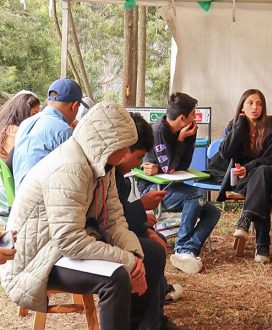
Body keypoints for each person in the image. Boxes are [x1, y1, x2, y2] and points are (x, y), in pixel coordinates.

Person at [2, 102, 166, 330]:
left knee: (153, 253)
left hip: (63, 245)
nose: (128, 152)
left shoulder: (103, 164)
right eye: (126, 145)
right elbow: (69, 240)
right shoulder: (69, 166)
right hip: (37, 258)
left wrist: (133, 255)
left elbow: (113, 220)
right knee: (115, 276)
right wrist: (127, 261)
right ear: (110, 142)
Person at [138, 92, 221, 274]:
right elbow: (169, 168)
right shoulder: (159, 130)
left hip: (172, 185)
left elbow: (183, 165)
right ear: (182, 118)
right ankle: (182, 249)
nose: (195, 117)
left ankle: (189, 249)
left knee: (213, 212)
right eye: (193, 114)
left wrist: (189, 137)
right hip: (152, 188)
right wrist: (181, 139)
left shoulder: (185, 130)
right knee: (196, 193)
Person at [116, 112, 184, 330]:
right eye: (138, 157)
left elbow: (117, 212)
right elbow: (108, 218)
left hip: (111, 230)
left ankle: (153, 318)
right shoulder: (103, 169)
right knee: (152, 250)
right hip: (91, 239)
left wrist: (143, 224)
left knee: (155, 244)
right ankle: (147, 323)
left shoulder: (114, 171)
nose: (138, 165)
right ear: (123, 149)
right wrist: (142, 211)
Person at [217, 89, 272, 264]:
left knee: (261, 174)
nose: (255, 107)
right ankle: (263, 247)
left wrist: (248, 167)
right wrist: (239, 126)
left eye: (259, 103)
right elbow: (225, 154)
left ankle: (245, 218)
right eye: (250, 103)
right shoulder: (234, 125)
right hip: (245, 180)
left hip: (271, 175)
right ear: (242, 106)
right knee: (261, 191)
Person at [12, 78, 89, 191]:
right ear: (74, 106)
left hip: (19, 200)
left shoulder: (25, 123)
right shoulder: (64, 131)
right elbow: (75, 176)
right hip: (42, 202)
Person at [0, 91, 40, 161]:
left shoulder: (6, 127)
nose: (37, 118)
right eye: (34, 114)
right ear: (22, 113)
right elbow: (27, 157)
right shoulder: (14, 131)